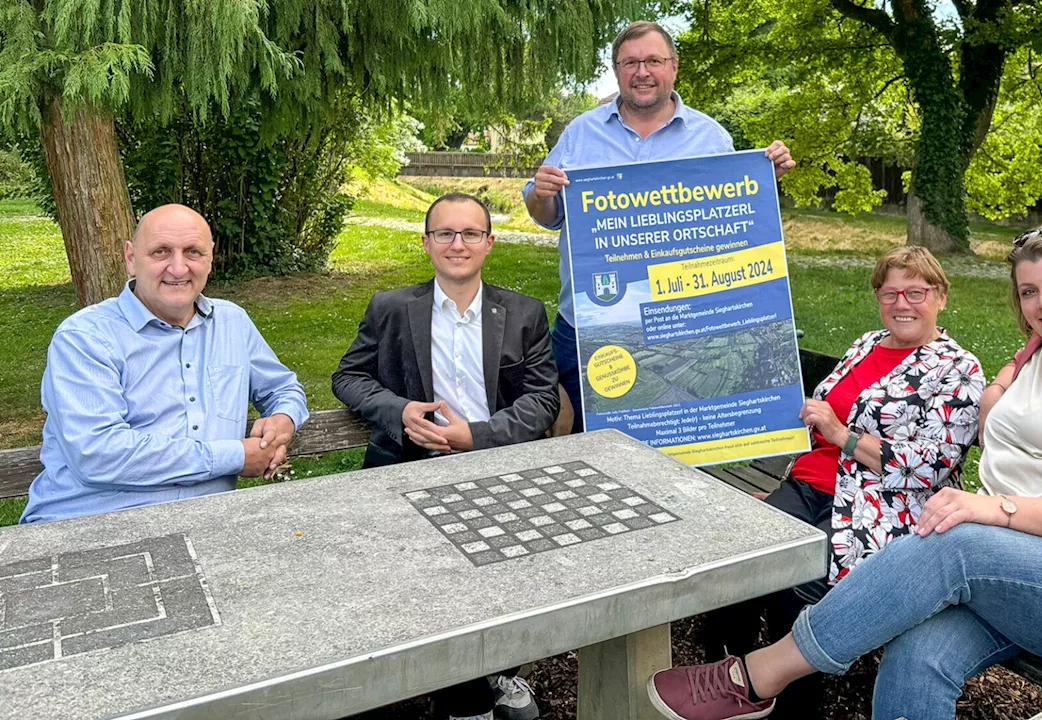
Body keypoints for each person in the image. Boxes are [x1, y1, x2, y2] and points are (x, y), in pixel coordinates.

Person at [646, 226, 1042, 720]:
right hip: (1015, 571)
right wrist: (999, 390)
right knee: (915, 658)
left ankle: (757, 676)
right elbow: (1015, 373)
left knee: (953, 541)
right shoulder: (1041, 348)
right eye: (1029, 292)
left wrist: (994, 509)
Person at [700, 247, 985, 716]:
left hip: (881, 504)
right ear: (878, 298)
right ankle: (725, 682)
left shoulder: (958, 369)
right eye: (890, 292)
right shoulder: (866, 344)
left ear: (941, 297)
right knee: (741, 556)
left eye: (916, 292)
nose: (902, 303)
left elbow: (932, 466)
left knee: (798, 579)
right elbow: (815, 410)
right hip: (809, 482)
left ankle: (792, 708)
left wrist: (843, 436)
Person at [332, 192, 557, 720]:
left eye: (470, 233)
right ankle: (468, 697)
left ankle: (481, 680)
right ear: (427, 242)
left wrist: (474, 436)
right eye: (445, 234)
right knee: (416, 590)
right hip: (406, 472)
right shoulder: (391, 308)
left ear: (489, 243)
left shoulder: (523, 313)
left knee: (490, 585)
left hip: (493, 467)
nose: (458, 244)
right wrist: (399, 410)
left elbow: (543, 398)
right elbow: (348, 377)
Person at [523, 20, 796, 432]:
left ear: (674, 66)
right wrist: (541, 193)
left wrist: (761, 182)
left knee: (678, 456)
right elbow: (547, 215)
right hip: (590, 325)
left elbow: (733, 227)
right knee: (583, 448)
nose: (642, 72)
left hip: (687, 328)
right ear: (617, 71)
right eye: (630, 62)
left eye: (653, 60)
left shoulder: (711, 138)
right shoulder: (581, 132)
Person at [21, 204, 308, 524]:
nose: (178, 267)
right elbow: (98, 454)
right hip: (90, 521)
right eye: (160, 252)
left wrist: (284, 418)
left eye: (193, 252)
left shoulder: (232, 323)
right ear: (131, 258)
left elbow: (283, 387)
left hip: (208, 520)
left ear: (211, 257)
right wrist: (236, 456)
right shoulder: (85, 338)